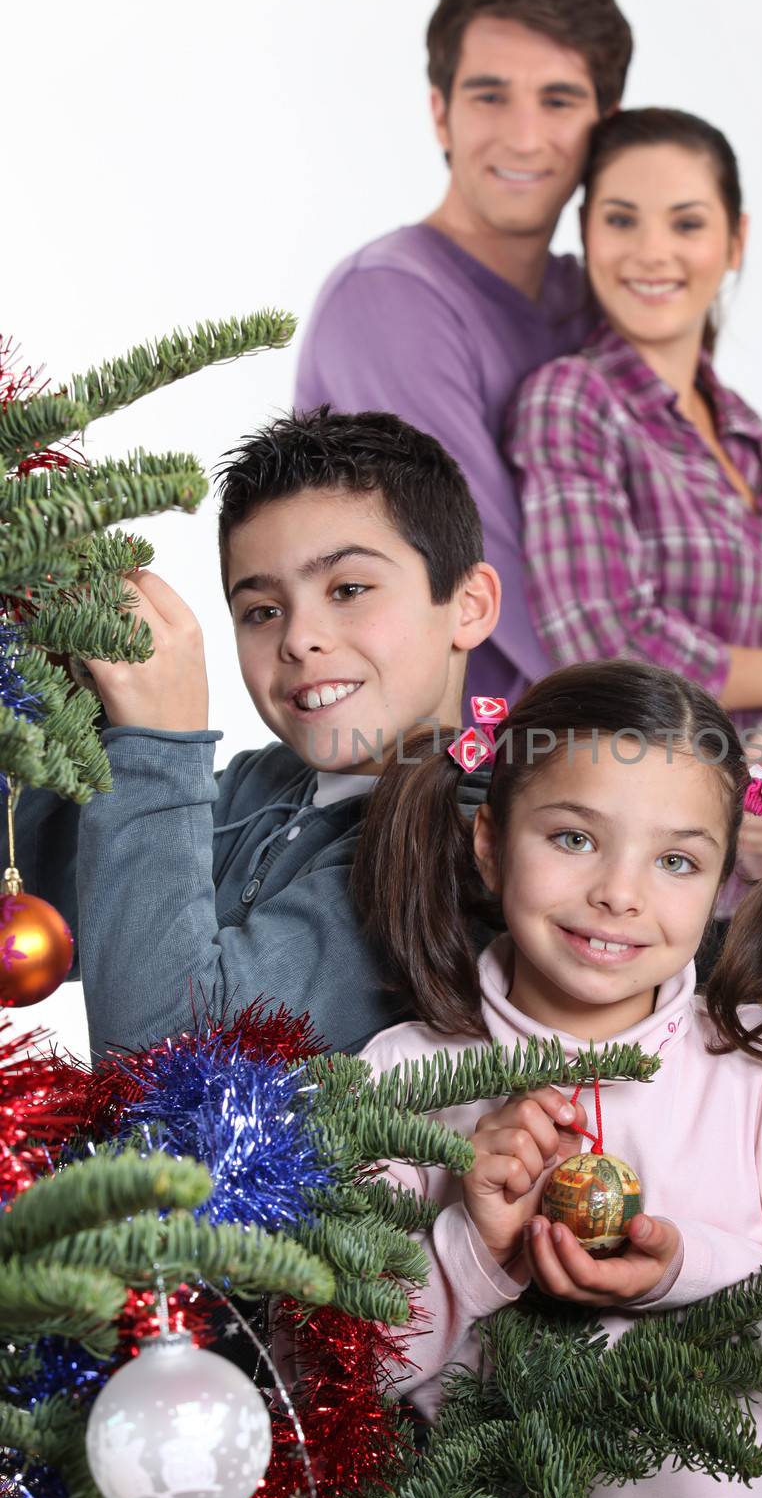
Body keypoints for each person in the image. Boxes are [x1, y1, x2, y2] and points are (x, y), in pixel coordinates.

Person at [352, 659, 762, 1498]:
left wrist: (687, 1270)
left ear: (720, 885)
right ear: (489, 842)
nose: (619, 894)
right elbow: (333, 1375)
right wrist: (470, 1245)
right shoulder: (403, 1077)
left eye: (675, 860)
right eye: (573, 839)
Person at [15, 410, 500, 1058]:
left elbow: (161, 1060)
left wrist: (159, 747)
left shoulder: (470, 846)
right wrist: (59, 696)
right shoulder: (256, 786)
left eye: (349, 588)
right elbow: (40, 891)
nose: (299, 638)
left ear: (468, 606)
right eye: (262, 611)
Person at [506, 109, 762, 933]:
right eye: (620, 219)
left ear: (734, 240)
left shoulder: (746, 434)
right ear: (585, 231)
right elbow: (603, 635)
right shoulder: (572, 400)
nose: (651, 252)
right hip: (635, 891)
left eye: (686, 223)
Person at [295, 0, 633, 704]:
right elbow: (511, 589)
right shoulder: (388, 300)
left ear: (604, 127)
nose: (522, 136)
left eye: (558, 99)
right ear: (440, 113)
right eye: (489, 96)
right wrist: (723, 756)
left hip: (603, 770)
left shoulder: (602, 302)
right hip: (436, 790)